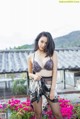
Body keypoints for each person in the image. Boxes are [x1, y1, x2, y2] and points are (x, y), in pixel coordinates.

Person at [27, 31, 63, 119]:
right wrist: (34, 76)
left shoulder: (53, 54)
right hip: (36, 85)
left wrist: (52, 90)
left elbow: (55, 72)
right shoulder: (31, 56)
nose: (43, 44)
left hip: (49, 84)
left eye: (46, 43)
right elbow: (29, 73)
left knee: (57, 113)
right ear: (38, 41)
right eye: (42, 41)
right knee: (38, 114)